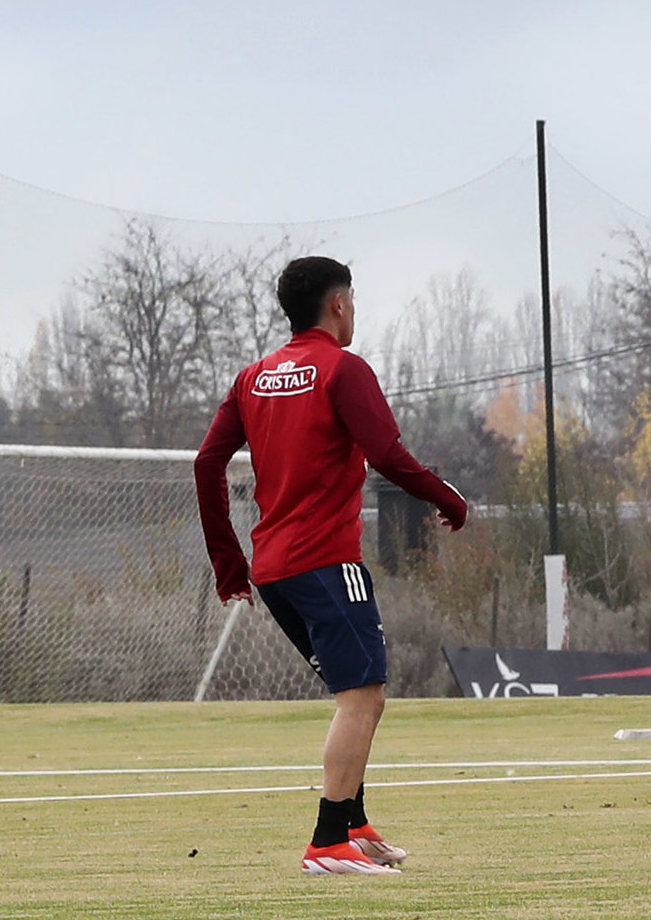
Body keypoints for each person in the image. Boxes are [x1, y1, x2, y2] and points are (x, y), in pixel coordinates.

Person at [195, 255, 471, 874]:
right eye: (354, 300)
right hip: (326, 562)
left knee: (361, 696)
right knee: (363, 697)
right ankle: (326, 841)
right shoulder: (343, 370)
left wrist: (228, 563)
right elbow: (389, 454)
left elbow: (207, 464)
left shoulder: (253, 377)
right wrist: (447, 499)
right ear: (339, 304)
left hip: (272, 569)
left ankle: (354, 823)